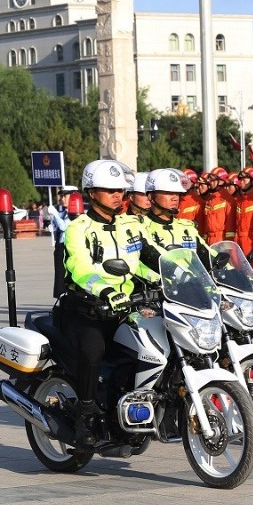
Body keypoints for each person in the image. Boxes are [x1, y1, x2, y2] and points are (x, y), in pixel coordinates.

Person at [58, 159, 160, 447]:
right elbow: (80, 268)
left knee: (152, 346)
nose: (119, 195)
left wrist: (179, 275)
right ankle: (85, 414)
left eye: (122, 190)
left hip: (125, 308)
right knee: (94, 349)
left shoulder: (130, 225)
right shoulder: (79, 228)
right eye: (111, 190)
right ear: (92, 192)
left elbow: (149, 258)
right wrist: (104, 291)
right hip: (86, 309)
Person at [47, 189, 72, 298]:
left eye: (64, 197)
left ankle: (64, 294)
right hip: (59, 246)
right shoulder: (64, 212)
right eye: (61, 197)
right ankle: (60, 294)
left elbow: (63, 226)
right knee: (59, 273)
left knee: (63, 273)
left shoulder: (74, 213)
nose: (61, 199)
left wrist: (55, 214)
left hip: (67, 247)